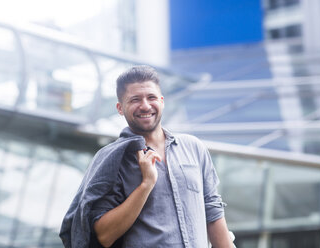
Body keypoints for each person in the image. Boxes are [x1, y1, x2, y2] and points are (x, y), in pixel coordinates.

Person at [60, 65, 234, 248]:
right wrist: (146, 185)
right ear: (120, 108)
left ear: (162, 101)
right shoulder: (112, 160)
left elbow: (212, 212)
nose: (145, 105)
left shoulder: (193, 148)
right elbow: (104, 235)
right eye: (135, 99)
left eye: (151, 97)